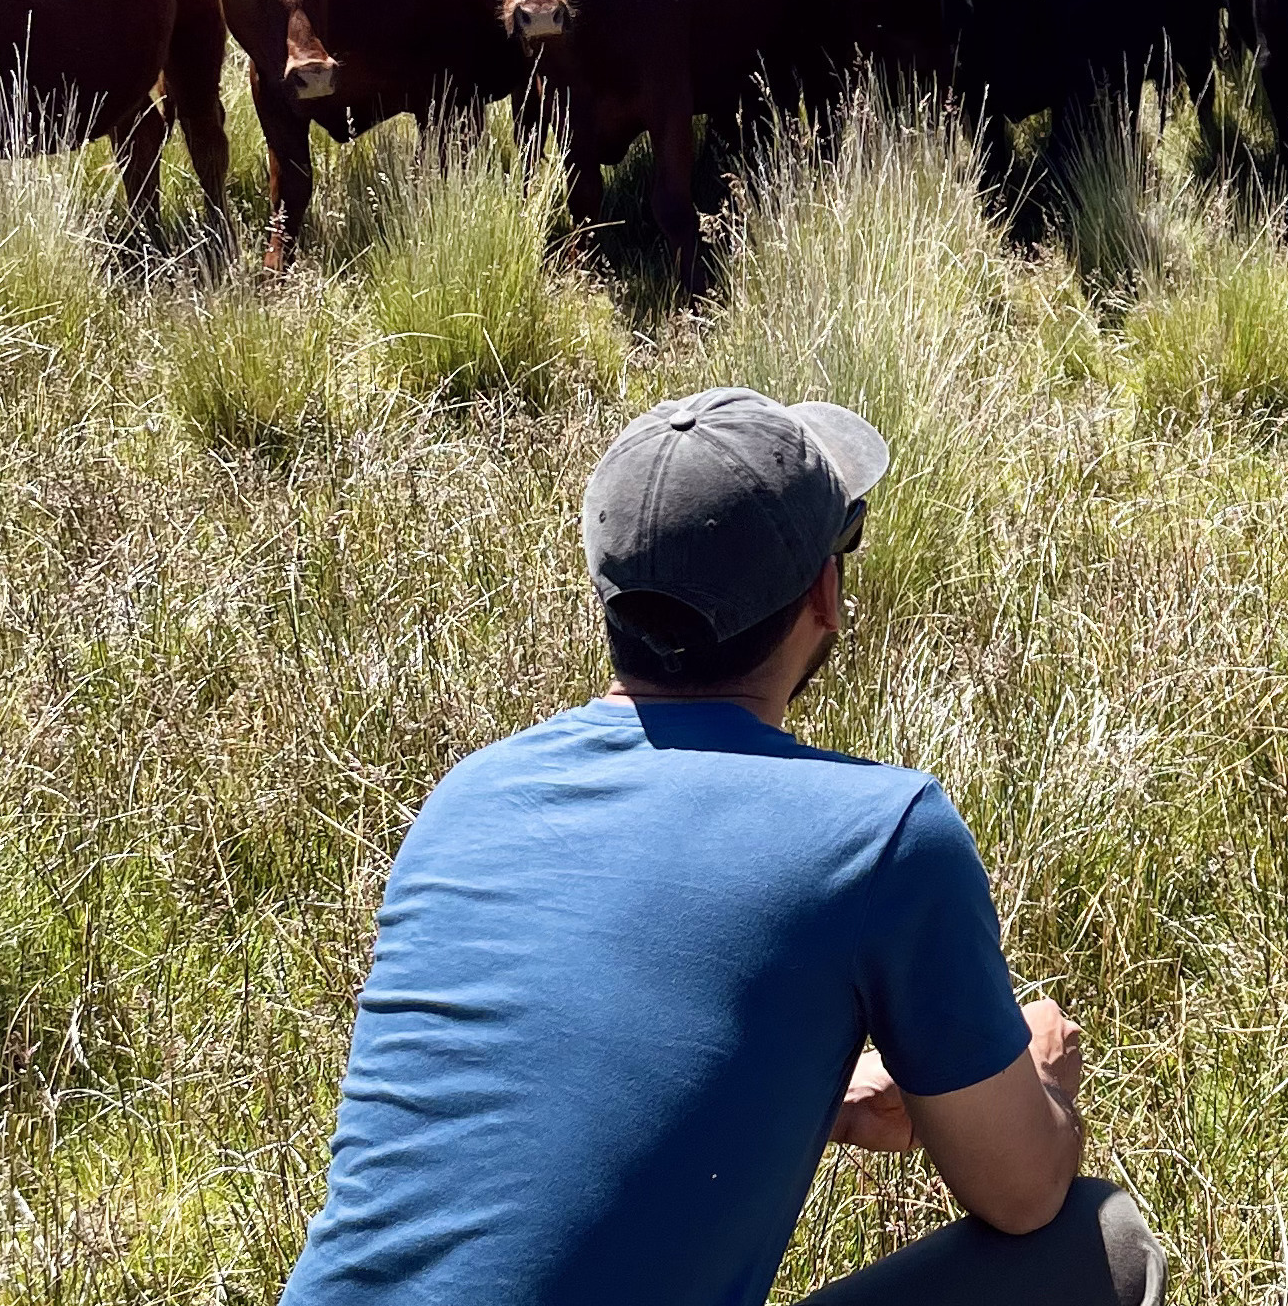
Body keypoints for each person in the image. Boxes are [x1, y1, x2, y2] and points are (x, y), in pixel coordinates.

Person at [280, 386, 1164, 1306]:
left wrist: (792, 1095)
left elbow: (523, 1105)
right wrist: (1047, 1085)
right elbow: (1021, 1194)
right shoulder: (883, 838)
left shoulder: (467, 798)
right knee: (1103, 1247)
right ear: (825, 594)